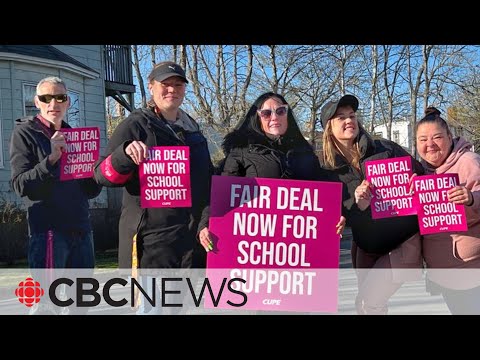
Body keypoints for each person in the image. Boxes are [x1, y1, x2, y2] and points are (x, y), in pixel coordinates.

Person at [94, 61, 213, 313]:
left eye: (178, 85)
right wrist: (124, 155)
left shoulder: (195, 132)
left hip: (188, 246)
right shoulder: (136, 124)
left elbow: (206, 186)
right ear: (151, 87)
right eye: (165, 84)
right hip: (152, 246)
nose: (172, 90)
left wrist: (205, 222)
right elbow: (101, 175)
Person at [198, 91, 345, 254]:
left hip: (296, 248)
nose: (274, 117)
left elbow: (323, 195)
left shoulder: (305, 153)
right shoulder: (240, 152)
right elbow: (221, 195)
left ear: (287, 115)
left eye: (280, 111)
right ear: (258, 118)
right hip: (254, 246)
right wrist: (205, 224)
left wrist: (337, 215)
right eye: (266, 113)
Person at [320, 94, 424, 315]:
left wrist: (416, 180)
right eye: (341, 117)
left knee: (371, 302)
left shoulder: (385, 148)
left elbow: (421, 174)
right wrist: (355, 207)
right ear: (328, 127)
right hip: (366, 246)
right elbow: (334, 213)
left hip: (402, 242)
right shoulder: (326, 170)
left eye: (352, 115)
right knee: (366, 306)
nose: (350, 120)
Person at [10, 76, 102, 314]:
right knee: (45, 306)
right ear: (37, 102)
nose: (54, 103)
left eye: (60, 97)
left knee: (81, 304)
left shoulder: (77, 137)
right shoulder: (25, 133)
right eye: (46, 98)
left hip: (82, 229)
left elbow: (90, 191)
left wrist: (94, 173)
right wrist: (50, 160)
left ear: (68, 102)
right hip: (49, 231)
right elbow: (21, 185)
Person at [415, 107, 480, 315]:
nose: (430, 144)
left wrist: (471, 198)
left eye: (437, 137)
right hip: (443, 270)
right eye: (422, 139)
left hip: (471, 269)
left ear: (450, 137)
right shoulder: (420, 172)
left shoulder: (468, 161)